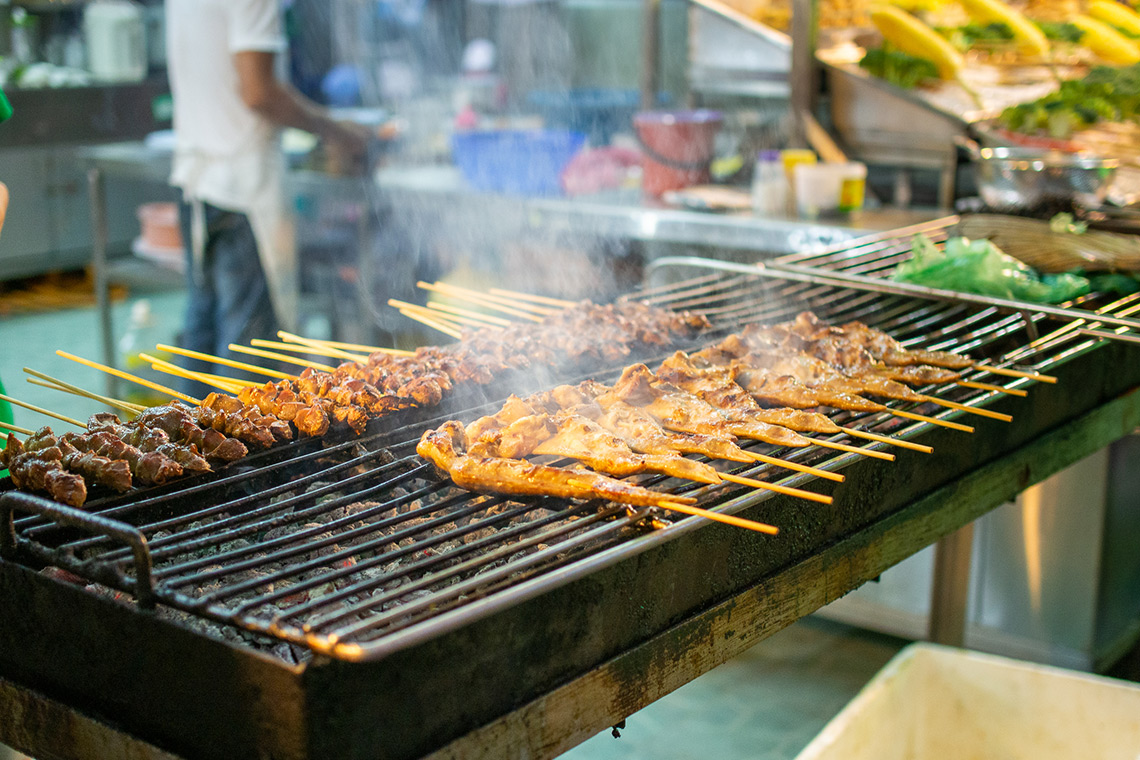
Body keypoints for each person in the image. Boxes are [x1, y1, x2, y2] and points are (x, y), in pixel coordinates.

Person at [165, 0, 371, 395]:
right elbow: (259, 92)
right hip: (242, 189)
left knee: (202, 336)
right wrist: (336, 131)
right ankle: (247, 459)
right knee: (249, 357)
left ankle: (184, 451)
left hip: (197, 180)